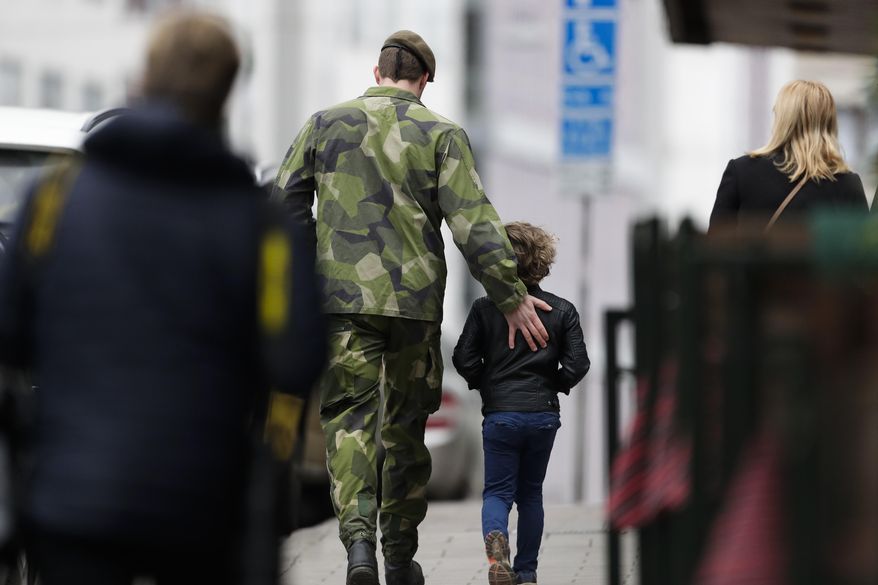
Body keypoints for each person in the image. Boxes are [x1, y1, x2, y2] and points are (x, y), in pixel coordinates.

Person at [0, 11, 326, 585]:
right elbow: (297, 358)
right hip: (203, 505)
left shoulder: (54, 199)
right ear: (227, 94)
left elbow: (10, 334)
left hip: (74, 500)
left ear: (142, 78)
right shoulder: (262, 224)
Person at [272, 30, 551, 585]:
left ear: (377, 73)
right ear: (424, 80)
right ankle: (399, 558)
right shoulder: (441, 134)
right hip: (414, 307)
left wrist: (310, 270)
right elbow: (474, 223)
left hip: (341, 303)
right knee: (404, 429)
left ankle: (357, 549)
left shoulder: (325, 124)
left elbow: (284, 202)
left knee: (348, 422)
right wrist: (511, 297)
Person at [452, 221, 589, 585]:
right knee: (531, 494)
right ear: (542, 261)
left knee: (497, 491)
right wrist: (551, 385)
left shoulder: (484, 309)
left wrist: (489, 385)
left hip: (501, 416)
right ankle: (527, 572)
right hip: (542, 416)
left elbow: (463, 359)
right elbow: (578, 364)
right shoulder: (562, 310)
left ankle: (498, 555)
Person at [709, 80, 868, 232]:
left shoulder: (741, 171)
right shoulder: (848, 184)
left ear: (782, 119)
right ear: (829, 123)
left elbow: (713, 247)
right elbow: (864, 254)